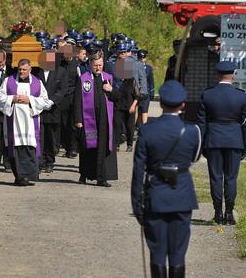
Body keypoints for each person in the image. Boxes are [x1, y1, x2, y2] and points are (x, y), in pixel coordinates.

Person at [132, 80, 201, 278]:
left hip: (156, 196)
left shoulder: (147, 130)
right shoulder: (193, 131)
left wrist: (137, 206)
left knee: (158, 253)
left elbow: (138, 172)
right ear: (183, 105)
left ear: (161, 103)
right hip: (182, 196)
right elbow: (194, 157)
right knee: (178, 253)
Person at [197, 61, 246, 225]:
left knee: (215, 177)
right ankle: (229, 213)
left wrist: (201, 144)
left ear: (217, 74)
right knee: (231, 178)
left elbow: (201, 123)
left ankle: (218, 212)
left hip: (213, 140)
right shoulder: (242, 95)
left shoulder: (207, 94)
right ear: (234, 74)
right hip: (234, 140)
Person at [0, 59, 53, 186]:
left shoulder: (37, 83)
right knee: (15, 150)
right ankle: (19, 177)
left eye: (24, 70)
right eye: (20, 69)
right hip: (14, 123)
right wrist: (12, 98)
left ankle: (27, 176)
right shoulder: (8, 81)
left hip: (30, 123)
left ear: (30, 69)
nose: (21, 72)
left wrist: (30, 100)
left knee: (29, 149)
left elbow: (45, 101)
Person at [74, 51, 123, 187]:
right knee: (87, 148)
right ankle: (84, 174)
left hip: (104, 120)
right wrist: (78, 119)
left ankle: (101, 178)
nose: (98, 68)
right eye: (95, 65)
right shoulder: (83, 79)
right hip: (87, 119)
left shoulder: (108, 78)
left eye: (100, 65)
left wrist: (111, 89)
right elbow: (77, 100)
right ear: (90, 64)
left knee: (102, 148)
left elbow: (118, 97)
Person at [33, 49, 67, 173]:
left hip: (53, 110)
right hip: (39, 109)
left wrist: (51, 101)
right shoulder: (36, 72)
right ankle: (40, 161)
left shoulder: (61, 71)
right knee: (39, 136)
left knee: (51, 138)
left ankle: (50, 161)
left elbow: (62, 90)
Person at [138, 49, 155, 126]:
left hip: (146, 93)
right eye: (140, 57)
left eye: (143, 57)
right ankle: (137, 127)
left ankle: (144, 127)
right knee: (138, 111)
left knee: (144, 110)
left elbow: (151, 81)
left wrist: (152, 92)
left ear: (145, 58)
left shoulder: (148, 68)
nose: (141, 59)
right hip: (136, 92)